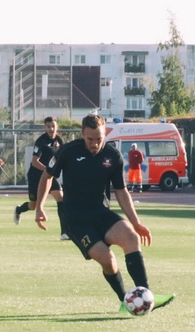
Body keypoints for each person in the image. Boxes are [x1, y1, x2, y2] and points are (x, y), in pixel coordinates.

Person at [34, 114, 174, 312]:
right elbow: (47, 176)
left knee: (131, 237)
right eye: (90, 139)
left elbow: (121, 191)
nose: (95, 144)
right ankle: (124, 301)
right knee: (108, 260)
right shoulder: (67, 151)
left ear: (104, 134)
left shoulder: (112, 156)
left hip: (101, 213)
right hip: (75, 219)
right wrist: (39, 207)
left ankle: (146, 295)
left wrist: (136, 223)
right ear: (82, 134)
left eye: (99, 139)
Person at [13, 116, 69, 240]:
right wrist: (48, 170)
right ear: (45, 128)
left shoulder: (60, 141)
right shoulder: (41, 141)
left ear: (57, 127)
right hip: (35, 175)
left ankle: (65, 232)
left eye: (53, 126)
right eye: (48, 126)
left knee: (61, 199)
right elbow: (34, 162)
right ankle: (18, 209)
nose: (51, 129)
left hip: (49, 176)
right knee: (33, 206)